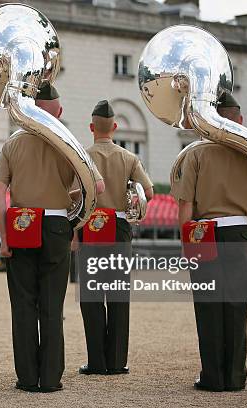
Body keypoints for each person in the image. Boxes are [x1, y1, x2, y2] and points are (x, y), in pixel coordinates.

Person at [0, 83, 103, 393]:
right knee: (52, 307)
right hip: (56, 225)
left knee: (24, 306)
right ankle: (51, 378)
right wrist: (68, 199)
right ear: (60, 112)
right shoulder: (68, 143)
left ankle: (27, 378)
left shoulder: (12, 143)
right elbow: (99, 187)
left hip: (21, 225)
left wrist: (4, 236)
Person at [172, 91, 247, 392]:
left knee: (209, 307)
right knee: (237, 307)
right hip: (240, 231)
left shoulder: (197, 152)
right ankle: (235, 377)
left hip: (205, 232)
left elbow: (186, 205)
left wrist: (186, 244)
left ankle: (212, 376)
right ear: (240, 119)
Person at [78, 100, 153, 376]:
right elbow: (149, 192)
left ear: (91, 127)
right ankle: (117, 361)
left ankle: (96, 361)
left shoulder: (83, 155)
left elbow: (74, 196)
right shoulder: (129, 158)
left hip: (91, 227)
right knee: (119, 295)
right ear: (115, 127)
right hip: (120, 228)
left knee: (92, 295)